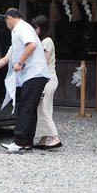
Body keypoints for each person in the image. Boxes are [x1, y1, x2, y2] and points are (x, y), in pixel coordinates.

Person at [0, 8, 49, 152]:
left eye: (6, 21)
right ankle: (27, 142)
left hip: (34, 74)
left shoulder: (21, 28)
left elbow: (32, 45)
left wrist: (19, 63)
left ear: (9, 18)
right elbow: (6, 58)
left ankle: (18, 142)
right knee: (29, 108)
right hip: (35, 75)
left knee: (25, 107)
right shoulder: (20, 32)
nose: (7, 25)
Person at [31, 15, 61, 149]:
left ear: (41, 28)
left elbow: (44, 61)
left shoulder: (46, 41)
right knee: (44, 108)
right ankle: (43, 139)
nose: (33, 30)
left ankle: (55, 138)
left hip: (47, 79)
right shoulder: (45, 41)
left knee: (43, 109)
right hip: (49, 79)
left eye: (35, 27)